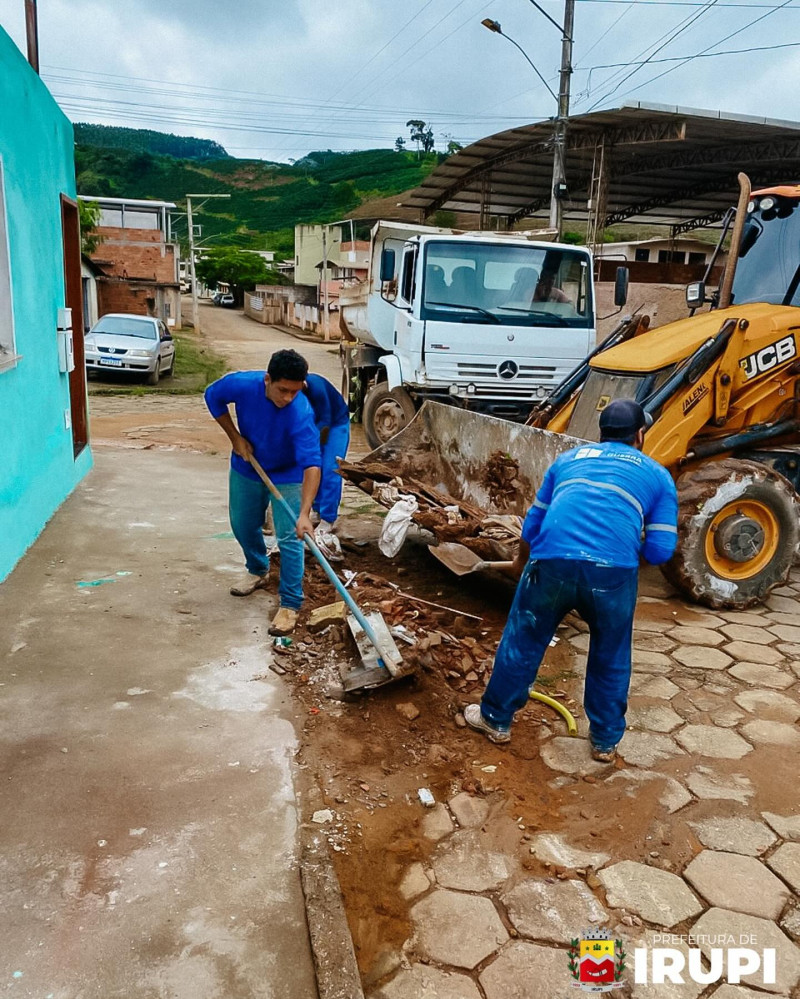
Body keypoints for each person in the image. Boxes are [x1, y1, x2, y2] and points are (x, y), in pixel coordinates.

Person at [464, 399, 678, 763]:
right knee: (611, 655)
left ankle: (495, 720)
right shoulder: (658, 475)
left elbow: (532, 524)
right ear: (640, 434)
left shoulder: (567, 461)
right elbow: (660, 550)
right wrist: (619, 557)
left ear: (601, 433)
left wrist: (520, 563)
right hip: (613, 574)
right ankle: (605, 742)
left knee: (524, 640)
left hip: (550, 564)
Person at [204, 349, 321, 637]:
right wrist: (235, 438)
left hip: (288, 473)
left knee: (291, 536)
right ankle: (258, 569)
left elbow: (312, 466)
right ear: (267, 379)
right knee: (242, 524)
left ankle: (291, 603)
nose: (288, 398)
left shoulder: (300, 412)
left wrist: (305, 514)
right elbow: (212, 396)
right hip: (248, 464)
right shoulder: (242, 385)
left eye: (295, 391)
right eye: (283, 390)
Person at [303, 373, 351, 550]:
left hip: (335, 423)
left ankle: (328, 519)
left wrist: (313, 449)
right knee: (310, 468)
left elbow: (325, 422)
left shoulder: (316, 387)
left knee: (330, 469)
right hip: (313, 424)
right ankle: (316, 509)